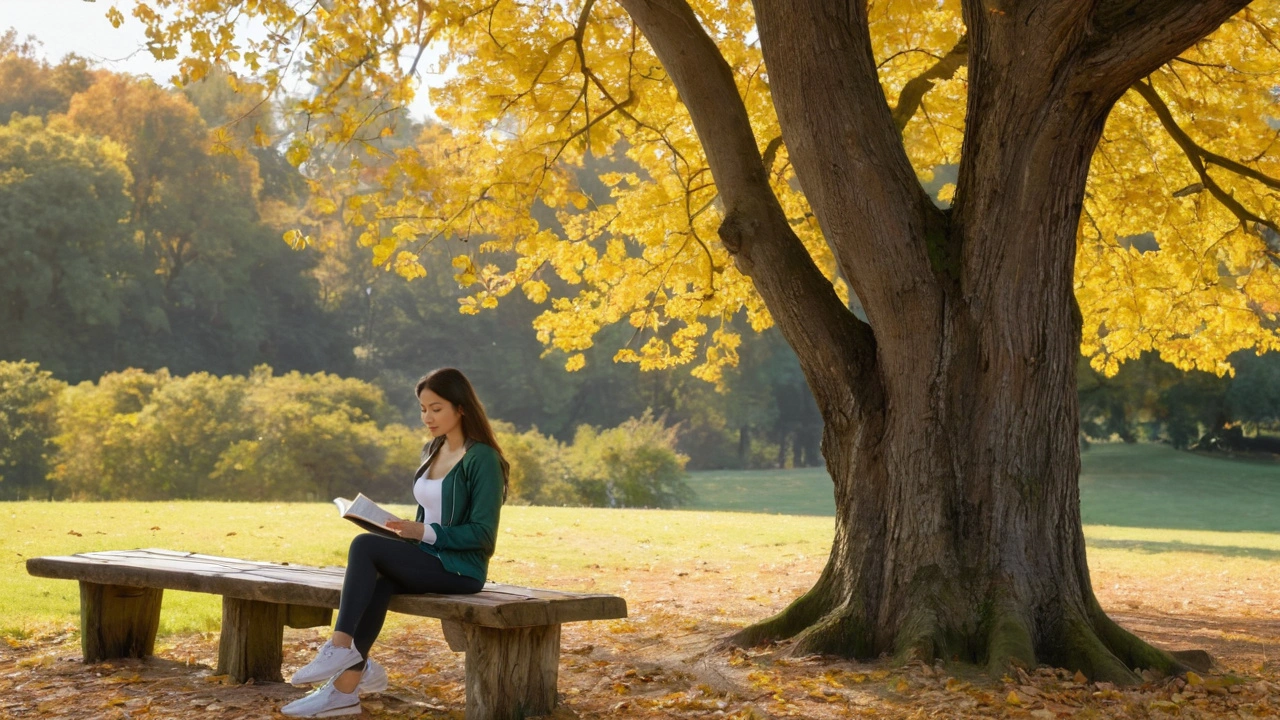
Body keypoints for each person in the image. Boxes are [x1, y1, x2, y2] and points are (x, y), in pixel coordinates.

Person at [280, 367, 510, 718]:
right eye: (422, 408)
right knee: (378, 579)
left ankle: (341, 647)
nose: (426, 417)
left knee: (364, 546)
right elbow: (429, 513)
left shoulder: (483, 459)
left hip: (461, 570)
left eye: (436, 408)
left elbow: (483, 536)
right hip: (427, 556)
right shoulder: (432, 450)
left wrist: (423, 533)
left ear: (460, 408)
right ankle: (344, 690)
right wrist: (401, 529)